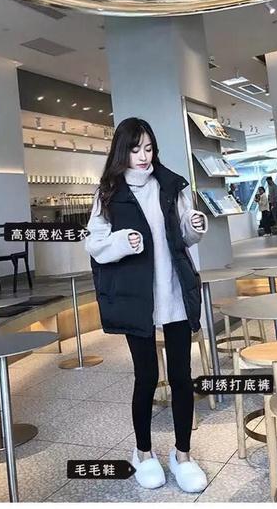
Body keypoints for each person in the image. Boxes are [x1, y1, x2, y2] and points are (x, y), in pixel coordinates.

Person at [85, 118, 209, 493]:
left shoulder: (170, 186)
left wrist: (194, 226)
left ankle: (182, 455)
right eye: (136, 149)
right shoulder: (108, 193)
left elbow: (184, 237)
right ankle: (143, 453)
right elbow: (95, 244)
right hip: (137, 298)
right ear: (122, 151)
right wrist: (121, 242)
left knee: (182, 377)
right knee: (146, 377)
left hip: (174, 292)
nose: (143, 156)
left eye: (149, 148)